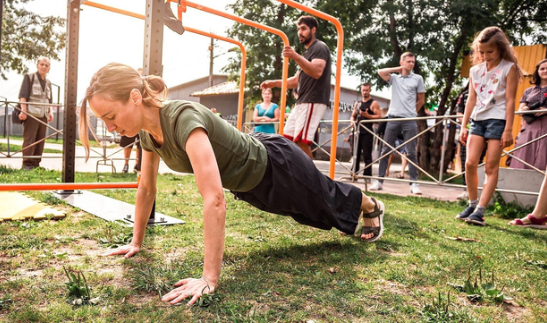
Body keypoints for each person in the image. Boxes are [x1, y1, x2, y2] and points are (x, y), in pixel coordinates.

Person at [79, 63, 387, 305]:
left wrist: (209, 278)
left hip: (277, 166)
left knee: (326, 199)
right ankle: (354, 206)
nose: (110, 126)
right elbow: (146, 188)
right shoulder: (148, 136)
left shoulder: (182, 118)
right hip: (251, 186)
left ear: (135, 98)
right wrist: (136, 242)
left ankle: (371, 205)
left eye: (110, 115)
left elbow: (214, 199)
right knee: (316, 214)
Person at [455, 27, 521, 226]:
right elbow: (471, 99)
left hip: (498, 121)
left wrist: (508, 129)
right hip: (477, 120)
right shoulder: (475, 71)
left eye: (490, 52)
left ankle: (480, 212)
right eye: (481, 52)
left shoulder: (509, 68)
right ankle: (472, 204)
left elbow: (510, 100)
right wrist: (464, 126)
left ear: (501, 48)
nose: (485, 56)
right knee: (469, 163)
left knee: (491, 166)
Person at [261, 15, 331, 160]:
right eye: (298, 29)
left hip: (312, 99)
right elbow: (296, 80)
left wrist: (295, 56)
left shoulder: (319, 47)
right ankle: (295, 171)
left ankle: (311, 175)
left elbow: (317, 71)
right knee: (288, 139)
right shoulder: (307, 53)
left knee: (301, 141)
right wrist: (274, 83)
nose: (300, 32)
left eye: (304, 29)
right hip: (302, 101)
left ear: (313, 30)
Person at [369, 52, 425, 194]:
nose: (411, 64)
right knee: (386, 150)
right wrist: (398, 69)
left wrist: (411, 112)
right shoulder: (394, 78)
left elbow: (421, 100)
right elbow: (380, 72)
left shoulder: (418, 78)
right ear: (402, 62)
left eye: (413, 62)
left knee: (411, 152)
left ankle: (414, 183)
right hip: (393, 118)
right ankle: (379, 180)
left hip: (409, 119)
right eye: (408, 61)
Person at [509, 58, 547, 171]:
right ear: (537, 71)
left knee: (543, 154)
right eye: (542, 68)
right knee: (524, 154)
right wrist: (524, 108)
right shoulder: (529, 91)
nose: (545, 71)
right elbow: (520, 109)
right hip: (530, 126)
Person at [18, 57, 53, 170]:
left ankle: (36, 164)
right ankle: (27, 164)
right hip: (32, 114)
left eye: (46, 65)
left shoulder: (48, 82)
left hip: (43, 116)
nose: (44, 67)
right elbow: (23, 96)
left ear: (49, 68)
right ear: (37, 65)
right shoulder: (29, 77)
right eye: (42, 64)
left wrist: (50, 112)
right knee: (29, 139)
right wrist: (24, 111)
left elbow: (49, 100)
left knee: (40, 140)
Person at [350, 82, 381, 178]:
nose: (365, 92)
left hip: (367, 132)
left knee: (367, 155)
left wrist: (368, 116)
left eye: (367, 90)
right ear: (361, 90)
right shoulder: (357, 103)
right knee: (355, 154)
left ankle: (367, 176)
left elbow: (379, 117)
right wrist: (352, 121)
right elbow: (352, 116)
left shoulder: (373, 103)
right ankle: (354, 173)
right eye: (363, 90)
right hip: (357, 132)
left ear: (370, 90)